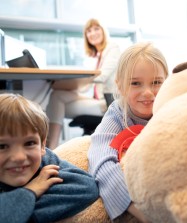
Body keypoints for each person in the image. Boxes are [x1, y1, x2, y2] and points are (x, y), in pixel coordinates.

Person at [88, 42, 169, 222]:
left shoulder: (172, 108)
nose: (148, 92)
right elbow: (100, 160)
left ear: (167, 81)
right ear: (120, 86)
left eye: (156, 82)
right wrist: (140, 211)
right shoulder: (117, 113)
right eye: (135, 83)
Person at [0, 93, 99, 223]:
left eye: (29, 143)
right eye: (2, 146)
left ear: (42, 145)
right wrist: (31, 191)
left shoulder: (45, 160)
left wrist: (20, 213)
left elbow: (87, 188)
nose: (19, 157)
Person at [46, 18, 121, 149]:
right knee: (56, 95)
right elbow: (86, 86)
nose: (93, 33)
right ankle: (50, 146)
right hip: (94, 98)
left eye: (96, 28)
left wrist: (73, 82)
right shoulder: (95, 56)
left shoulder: (112, 48)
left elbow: (101, 76)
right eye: (89, 31)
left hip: (107, 102)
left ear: (103, 30)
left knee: (56, 104)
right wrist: (71, 86)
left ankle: (51, 146)